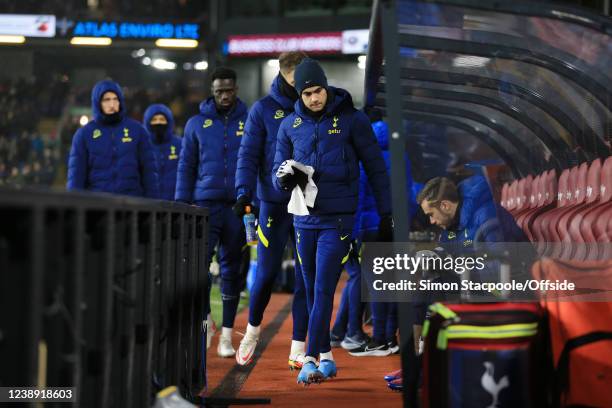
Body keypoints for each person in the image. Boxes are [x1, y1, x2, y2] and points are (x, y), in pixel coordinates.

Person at [272, 58, 392, 385]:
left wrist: (387, 212)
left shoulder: (353, 120)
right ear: (299, 94)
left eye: (318, 91)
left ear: (326, 87)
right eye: (307, 93)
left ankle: (309, 358)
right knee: (311, 290)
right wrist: (282, 180)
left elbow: (376, 168)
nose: (314, 98)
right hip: (303, 219)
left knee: (324, 286)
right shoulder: (289, 125)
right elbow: (276, 171)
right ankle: (326, 357)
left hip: (338, 219)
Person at [234, 51, 310, 369]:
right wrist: (243, 191)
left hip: (307, 203)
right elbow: (248, 153)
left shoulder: (316, 103)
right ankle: (252, 330)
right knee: (265, 273)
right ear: (282, 75)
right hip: (274, 203)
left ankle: (297, 347)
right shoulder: (262, 110)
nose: (301, 87)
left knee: (306, 277)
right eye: (295, 81)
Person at [175, 67, 248, 358]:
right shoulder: (195, 124)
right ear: (212, 91)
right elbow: (186, 166)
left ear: (236, 89)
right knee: (198, 269)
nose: (224, 95)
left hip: (237, 207)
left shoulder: (249, 119)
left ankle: (227, 337)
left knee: (232, 272)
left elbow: (257, 160)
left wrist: (253, 199)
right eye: (219, 91)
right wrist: (182, 204)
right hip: (204, 207)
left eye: (229, 90)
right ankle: (205, 322)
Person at [67, 79, 159, 198]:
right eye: (106, 100)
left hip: (133, 206)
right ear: (97, 103)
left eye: (115, 99)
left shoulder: (137, 130)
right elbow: (76, 175)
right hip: (97, 207)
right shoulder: (84, 134)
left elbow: (149, 173)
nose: (112, 104)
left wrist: (152, 207)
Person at [143, 104, 182, 201]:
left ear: (169, 122)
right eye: (154, 120)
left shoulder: (180, 144)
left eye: (162, 119)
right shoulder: (142, 145)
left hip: (176, 204)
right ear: (147, 122)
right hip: (148, 203)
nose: (158, 122)